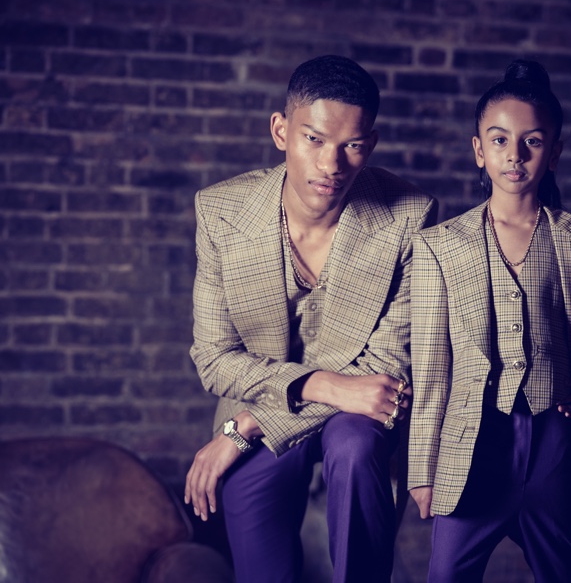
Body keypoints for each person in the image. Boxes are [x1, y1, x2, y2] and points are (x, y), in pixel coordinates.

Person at [183, 55, 437, 583]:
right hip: (271, 399)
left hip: (351, 416)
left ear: (372, 143)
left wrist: (246, 426)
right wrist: (322, 385)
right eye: (314, 139)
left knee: (355, 444)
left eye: (353, 145)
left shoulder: (409, 216)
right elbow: (214, 358)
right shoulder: (221, 214)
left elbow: (388, 364)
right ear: (281, 131)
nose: (332, 164)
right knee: (258, 556)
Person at [407, 59, 571, 582]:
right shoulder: (439, 247)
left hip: (552, 440)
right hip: (469, 444)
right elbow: (430, 369)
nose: (514, 155)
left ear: (554, 152)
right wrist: (422, 471)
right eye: (499, 140)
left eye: (532, 141)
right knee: (447, 573)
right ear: (478, 150)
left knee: (557, 570)